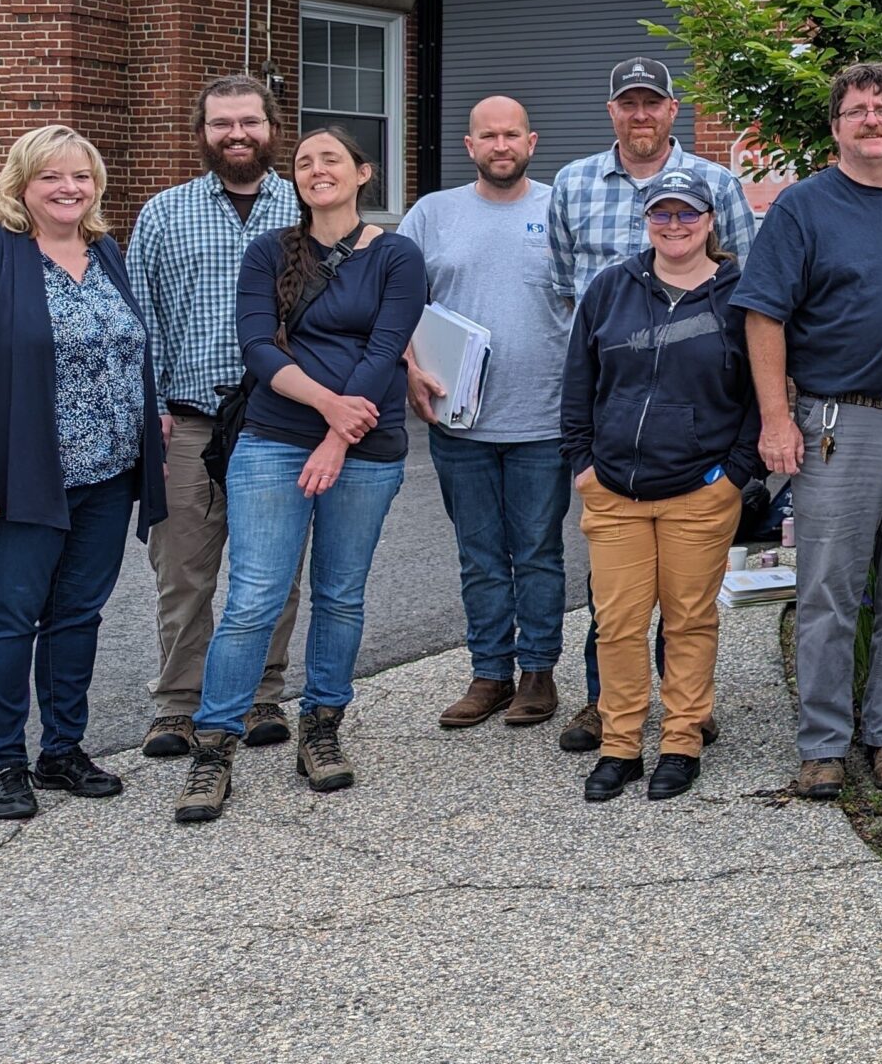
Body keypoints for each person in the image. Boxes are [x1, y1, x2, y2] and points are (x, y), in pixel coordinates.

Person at [174, 126, 428, 824]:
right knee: (254, 597)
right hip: (275, 440)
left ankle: (322, 728)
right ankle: (214, 748)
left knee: (340, 596)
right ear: (297, 180)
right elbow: (256, 344)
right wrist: (324, 411)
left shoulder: (398, 255)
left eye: (333, 160)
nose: (318, 170)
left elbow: (386, 350)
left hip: (365, 453)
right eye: (306, 162)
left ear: (363, 173)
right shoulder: (268, 252)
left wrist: (340, 441)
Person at [738, 62, 882, 800]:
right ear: (837, 126)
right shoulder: (803, 208)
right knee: (829, 591)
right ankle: (823, 745)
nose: (871, 119)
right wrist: (776, 418)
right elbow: (763, 315)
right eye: (856, 109)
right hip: (839, 423)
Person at [0, 127, 166, 820]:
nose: (69, 189)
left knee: (77, 617)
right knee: (8, 620)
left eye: (82, 177)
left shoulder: (105, 252)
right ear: (22, 184)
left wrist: (146, 411)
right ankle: (3, 762)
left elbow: (121, 348)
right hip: (16, 478)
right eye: (51, 178)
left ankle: (62, 748)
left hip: (107, 477)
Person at [545, 55, 759, 752]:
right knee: (616, 613)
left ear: (672, 109)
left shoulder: (721, 196)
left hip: (700, 469)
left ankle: (686, 723)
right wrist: (582, 459)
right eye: (627, 102)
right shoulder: (583, 212)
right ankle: (612, 721)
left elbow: (756, 344)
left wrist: (734, 470)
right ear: (613, 110)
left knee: (689, 611)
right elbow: (565, 319)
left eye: (653, 102)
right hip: (614, 458)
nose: (640, 113)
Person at [127, 76, 303, 757]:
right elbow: (139, 322)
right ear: (201, 133)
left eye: (250, 122)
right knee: (183, 574)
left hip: (279, 422)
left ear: (272, 128)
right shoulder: (165, 213)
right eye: (221, 123)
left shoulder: (304, 207)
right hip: (189, 423)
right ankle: (177, 703)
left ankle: (263, 695)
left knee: (273, 573)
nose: (237, 134)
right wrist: (151, 411)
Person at [400, 96, 575, 731]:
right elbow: (396, 306)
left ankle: (538, 673)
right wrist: (409, 367)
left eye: (511, 136)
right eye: (487, 136)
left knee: (536, 550)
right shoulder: (431, 215)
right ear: (468, 147)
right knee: (478, 553)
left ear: (531, 142)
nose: (500, 146)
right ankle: (490, 672)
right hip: (459, 420)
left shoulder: (563, 207)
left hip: (545, 417)